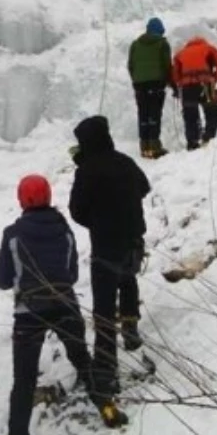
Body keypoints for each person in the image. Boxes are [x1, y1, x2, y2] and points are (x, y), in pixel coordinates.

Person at [0, 175, 127, 435]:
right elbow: (71, 271)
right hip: (65, 305)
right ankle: (107, 407)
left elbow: (2, 279)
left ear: (21, 200)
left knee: (23, 384)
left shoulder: (12, 235)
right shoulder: (64, 230)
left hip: (29, 313)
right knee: (82, 359)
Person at [69, 115, 151, 392]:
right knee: (128, 279)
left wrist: (98, 219)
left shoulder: (87, 170)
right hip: (132, 237)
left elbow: (76, 210)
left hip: (105, 244)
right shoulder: (125, 162)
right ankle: (130, 328)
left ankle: (106, 370)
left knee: (104, 307)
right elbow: (144, 186)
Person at [127, 16, 174, 159]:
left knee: (143, 114)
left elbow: (131, 65)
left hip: (139, 85)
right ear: (160, 30)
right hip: (156, 83)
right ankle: (154, 146)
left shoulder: (135, 44)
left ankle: (144, 146)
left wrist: (136, 80)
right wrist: (170, 83)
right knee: (154, 113)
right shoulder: (162, 44)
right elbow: (167, 66)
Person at [171, 36, 217, 150]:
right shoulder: (209, 48)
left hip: (187, 87)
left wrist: (181, 83)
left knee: (190, 115)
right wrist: (213, 79)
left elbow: (175, 75)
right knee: (211, 111)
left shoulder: (180, 54)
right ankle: (209, 137)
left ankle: (192, 142)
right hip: (205, 84)